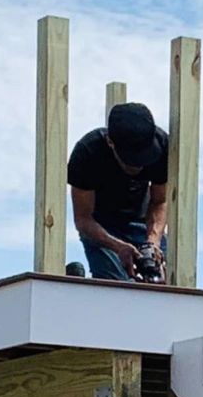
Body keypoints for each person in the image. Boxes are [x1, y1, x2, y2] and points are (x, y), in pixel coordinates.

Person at [68, 101, 169, 280]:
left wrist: (153, 242)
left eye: (144, 159)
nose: (138, 167)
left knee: (167, 280)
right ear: (110, 142)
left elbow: (159, 201)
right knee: (114, 287)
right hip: (100, 227)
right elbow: (83, 220)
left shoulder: (162, 146)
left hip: (141, 222)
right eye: (130, 160)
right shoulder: (87, 153)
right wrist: (117, 246)